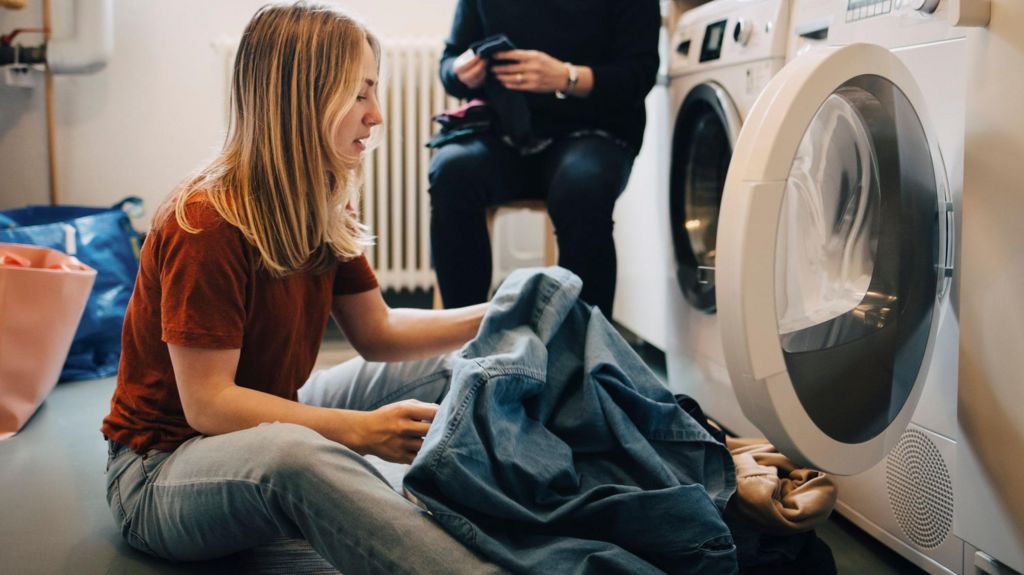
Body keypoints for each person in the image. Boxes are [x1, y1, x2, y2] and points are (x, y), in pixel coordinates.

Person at [100, 4, 506, 574]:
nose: (378, 115)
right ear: (303, 97)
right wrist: (359, 432)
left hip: (266, 420)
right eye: (360, 94)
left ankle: (523, 510)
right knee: (295, 453)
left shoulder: (322, 198)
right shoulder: (206, 220)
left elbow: (378, 332)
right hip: (160, 471)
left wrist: (502, 311)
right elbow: (210, 405)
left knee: (459, 364)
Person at [429, 0, 662, 318]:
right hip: (504, 132)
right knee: (451, 171)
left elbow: (639, 74)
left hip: (594, 132)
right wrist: (460, 70)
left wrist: (567, 76)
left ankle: (587, 355)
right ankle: (460, 342)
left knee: (582, 188)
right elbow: (449, 63)